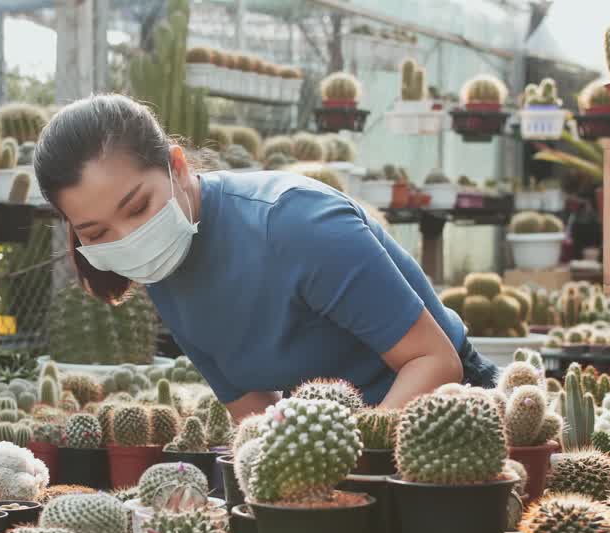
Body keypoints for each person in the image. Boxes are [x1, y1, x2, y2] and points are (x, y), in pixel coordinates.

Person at [34, 94, 498, 422]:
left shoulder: (295, 224)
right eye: (97, 233)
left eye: (137, 208)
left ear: (176, 167)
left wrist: (349, 461)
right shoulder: (162, 263)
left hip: (444, 410)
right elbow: (252, 411)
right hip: (326, 430)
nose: (131, 240)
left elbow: (434, 362)